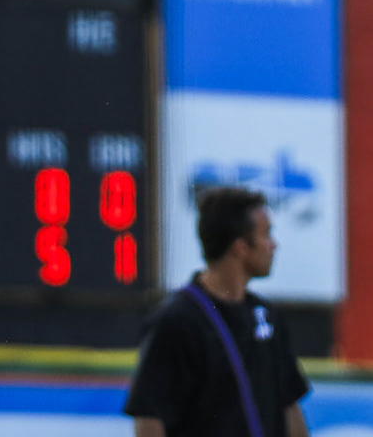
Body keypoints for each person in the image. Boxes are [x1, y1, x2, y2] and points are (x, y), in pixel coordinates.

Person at [125, 186, 311, 437]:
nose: (274, 245)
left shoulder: (267, 317)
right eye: (267, 234)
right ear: (240, 247)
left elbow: (289, 406)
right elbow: (149, 417)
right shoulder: (176, 321)